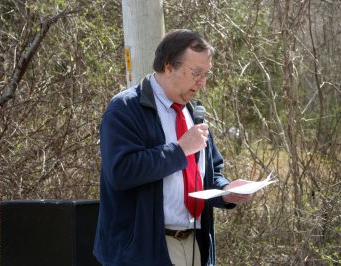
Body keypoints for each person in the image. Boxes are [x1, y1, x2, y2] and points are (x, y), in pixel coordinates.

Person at [93, 29, 252, 266]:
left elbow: (209, 174)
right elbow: (121, 172)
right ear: (168, 66)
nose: (202, 82)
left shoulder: (193, 112)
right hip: (144, 250)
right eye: (196, 73)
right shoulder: (125, 108)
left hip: (195, 244)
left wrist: (226, 190)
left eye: (206, 74)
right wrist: (179, 151)